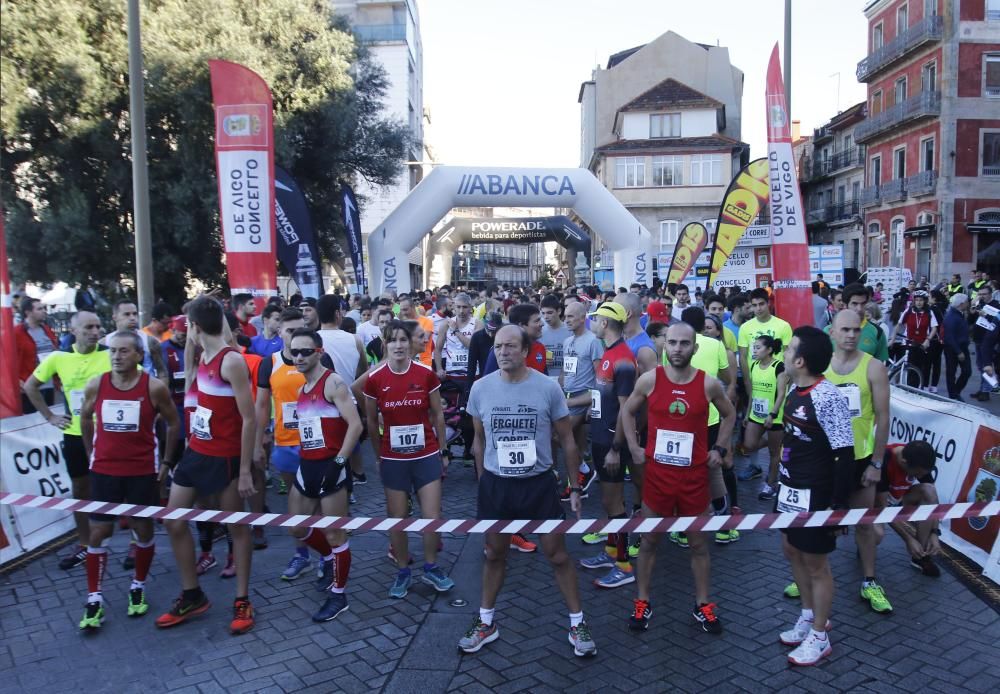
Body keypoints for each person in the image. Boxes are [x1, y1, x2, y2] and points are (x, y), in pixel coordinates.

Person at [458, 325, 596, 658]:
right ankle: (486, 621)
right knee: (494, 554)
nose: (503, 352)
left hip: (538, 484)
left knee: (558, 555)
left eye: (510, 346)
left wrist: (574, 484)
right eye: (498, 347)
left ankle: (577, 623)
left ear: (525, 351)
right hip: (496, 485)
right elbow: (477, 440)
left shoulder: (547, 388)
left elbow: (566, 439)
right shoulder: (480, 388)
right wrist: (482, 479)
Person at [621, 322, 735, 634]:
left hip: (694, 477)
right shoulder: (650, 380)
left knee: (698, 544)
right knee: (649, 541)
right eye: (672, 342)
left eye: (685, 343)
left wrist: (720, 448)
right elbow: (627, 411)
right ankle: (642, 601)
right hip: (658, 476)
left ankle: (702, 604)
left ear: (695, 348)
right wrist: (634, 446)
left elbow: (730, 414)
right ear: (664, 346)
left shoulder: (707, 384)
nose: (677, 349)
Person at [156, 296, 257, 635]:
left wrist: (244, 470)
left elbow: (249, 418)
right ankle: (192, 594)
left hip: (226, 458)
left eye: (189, 327)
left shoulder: (231, 361)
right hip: (197, 453)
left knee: (237, 528)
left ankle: (242, 599)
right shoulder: (202, 357)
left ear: (196, 328)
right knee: (174, 520)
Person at [76, 331, 180, 629]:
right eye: (113, 351)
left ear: (138, 355)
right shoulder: (98, 383)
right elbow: (84, 417)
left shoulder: (154, 387)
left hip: (141, 471)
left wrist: (168, 462)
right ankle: (94, 597)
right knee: (98, 533)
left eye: (123, 351)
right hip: (105, 471)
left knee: (142, 530)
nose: (116, 356)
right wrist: (90, 451)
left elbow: (173, 423)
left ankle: (138, 585)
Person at [775, 326, 855, 666]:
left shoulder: (828, 397)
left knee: (817, 564)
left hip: (817, 495)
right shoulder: (795, 388)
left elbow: (845, 454)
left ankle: (820, 636)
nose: (785, 352)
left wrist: (838, 507)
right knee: (791, 548)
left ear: (801, 360)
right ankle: (808, 615)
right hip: (790, 488)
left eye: (790, 348)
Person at [359, 320, 456, 598]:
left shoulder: (425, 374)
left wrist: (443, 450)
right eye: (393, 340)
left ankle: (431, 567)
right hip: (393, 457)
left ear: (410, 344)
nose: (399, 345)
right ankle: (403, 571)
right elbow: (369, 420)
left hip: (426, 454)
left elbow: (438, 415)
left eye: (403, 340)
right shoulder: (375, 379)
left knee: (432, 516)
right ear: (385, 344)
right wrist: (379, 457)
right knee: (397, 518)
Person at [284, 329, 362, 621]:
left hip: (332, 466)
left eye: (306, 351)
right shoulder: (302, 389)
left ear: (319, 351)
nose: (300, 357)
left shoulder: (334, 383)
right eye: (295, 352)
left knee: (334, 533)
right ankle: (328, 560)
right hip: (308, 466)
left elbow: (355, 426)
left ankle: (339, 595)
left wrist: (340, 462)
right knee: (297, 528)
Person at [816, 310, 892, 614]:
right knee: (820, 521)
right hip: (827, 460)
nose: (850, 335)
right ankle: (812, 574)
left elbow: (884, 417)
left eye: (855, 330)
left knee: (864, 523)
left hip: (861, 459)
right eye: (844, 330)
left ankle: (870, 581)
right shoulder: (820, 367)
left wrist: (876, 463)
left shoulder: (873, 368)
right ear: (832, 332)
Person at [23, 311, 111, 569]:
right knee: (81, 489)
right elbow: (30, 387)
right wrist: (50, 416)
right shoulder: (58, 358)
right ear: (74, 330)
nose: (95, 331)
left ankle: (134, 544)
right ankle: (84, 544)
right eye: (88, 327)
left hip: (109, 435)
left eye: (97, 326)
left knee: (120, 488)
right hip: (74, 434)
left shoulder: (110, 354)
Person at [578, 303, 637, 588]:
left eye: (595, 318)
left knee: (613, 503)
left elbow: (627, 409)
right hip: (601, 437)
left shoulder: (623, 358)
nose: (592, 322)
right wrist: (595, 409)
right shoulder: (609, 353)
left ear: (605, 323)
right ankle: (612, 550)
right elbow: (607, 395)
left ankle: (624, 565)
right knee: (608, 500)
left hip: (612, 442)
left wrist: (616, 447)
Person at [874, 440, 941, 577]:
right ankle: (863, 542)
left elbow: (934, 501)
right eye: (917, 473)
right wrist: (908, 539)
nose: (919, 477)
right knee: (877, 535)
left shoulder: (918, 458)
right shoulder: (884, 461)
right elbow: (884, 510)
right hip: (877, 506)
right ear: (904, 462)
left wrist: (934, 533)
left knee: (929, 491)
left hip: (898, 499)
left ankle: (920, 556)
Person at [559, 301, 603, 499]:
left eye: (571, 317)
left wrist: (592, 403)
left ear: (583, 318)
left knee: (558, 436)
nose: (566, 320)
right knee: (573, 442)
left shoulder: (593, 341)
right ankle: (579, 479)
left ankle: (583, 472)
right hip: (566, 397)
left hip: (581, 398)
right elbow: (565, 371)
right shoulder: (567, 342)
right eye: (565, 316)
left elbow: (599, 376)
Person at [742, 335, 789, 501]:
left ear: (769, 350)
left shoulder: (779, 367)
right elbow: (753, 393)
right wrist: (747, 414)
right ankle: (776, 439)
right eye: (753, 347)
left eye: (758, 347)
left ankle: (771, 485)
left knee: (774, 453)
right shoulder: (754, 365)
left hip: (774, 417)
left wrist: (773, 414)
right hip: (756, 414)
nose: (754, 350)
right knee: (748, 445)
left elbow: (782, 393)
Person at [104, 299, 168, 382]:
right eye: (127, 314)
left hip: (145, 389)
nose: (132, 318)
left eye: (134, 314)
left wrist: (162, 393)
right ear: (115, 317)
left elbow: (162, 372)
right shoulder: (105, 342)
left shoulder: (150, 341)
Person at [15, 296, 59, 414]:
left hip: (48, 383)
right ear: (28, 312)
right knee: (33, 421)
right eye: (39, 309)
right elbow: (8, 360)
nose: (44, 311)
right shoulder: (17, 333)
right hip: (29, 386)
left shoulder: (46, 330)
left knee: (49, 419)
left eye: (44, 308)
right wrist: (18, 380)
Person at [891, 290, 937, 389]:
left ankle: (916, 388)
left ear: (925, 301)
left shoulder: (929, 312)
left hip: (921, 343)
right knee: (909, 366)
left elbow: (934, 328)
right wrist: (892, 339)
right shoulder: (908, 311)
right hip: (908, 342)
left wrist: (928, 339)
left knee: (919, 367)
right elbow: (898, 325)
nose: (919, 302)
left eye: (921, 300)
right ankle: (906, 387)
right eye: (917, 300)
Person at [969, 284, 1000, 401]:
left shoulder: (996, 305)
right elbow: (971, 321)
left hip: (988, 341)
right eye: (980, 294)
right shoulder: (979, 304)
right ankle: (983, 388)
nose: (982, 296)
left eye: (984, 294)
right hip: (977, 339)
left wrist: (985, 314)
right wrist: (972, 313)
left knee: (986, 365)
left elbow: (995, 322)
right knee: (980, 366)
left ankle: (986, 391)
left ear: (990, 294)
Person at [942, 294, 971, 401]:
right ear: (961, 304)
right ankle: (953, 395)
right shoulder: (951, 316)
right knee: (951, 372)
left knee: (967, 371)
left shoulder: (960, 314)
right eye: (967, 302)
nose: (969, 304)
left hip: (963, 347)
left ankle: (956, 392)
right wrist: (958, 352)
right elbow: (949, 337)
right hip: (953, 349)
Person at [540, 294, 572, 381]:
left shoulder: (571, 331)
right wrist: (542, 361)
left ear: (559, 311)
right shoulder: (539, 332)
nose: (546, 317)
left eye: (550, 313)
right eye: (543, 313)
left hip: (566, 380)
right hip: (545, 380)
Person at [398, 296, 435, 367]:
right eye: (401, 310)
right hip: (406, 362)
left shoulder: (427, 321)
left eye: (405, 310)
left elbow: (425, 339)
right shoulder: (402, 323)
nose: (403, 313)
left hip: (424, 362)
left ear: (413, 307)